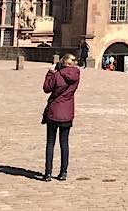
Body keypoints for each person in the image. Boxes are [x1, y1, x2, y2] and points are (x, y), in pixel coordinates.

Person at [42, 53, 81, 182]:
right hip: (67, 112)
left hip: (53, 112)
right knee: (64, 143)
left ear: (63, 63)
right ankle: (63, 172)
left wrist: (50, 73)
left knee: (50, 143)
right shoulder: (76, 74)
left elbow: (46, 88)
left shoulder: (57, 75)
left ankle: (48, 173)